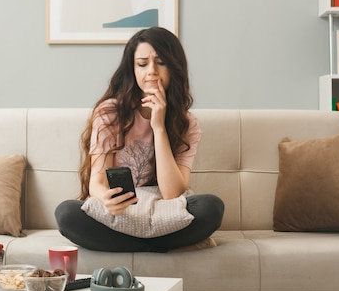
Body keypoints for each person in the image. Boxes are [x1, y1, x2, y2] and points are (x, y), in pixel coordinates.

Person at [55, 27, 224, 253]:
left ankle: (129, 247)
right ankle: (160, 247)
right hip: (122, 212)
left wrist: (159, 127)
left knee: (212, 207)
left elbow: (172, 192)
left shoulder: (187, 124)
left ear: (174, 68)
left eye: (160, 62)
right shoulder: (109, 113)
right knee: (66, 214)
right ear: (132, 69)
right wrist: (106, 199)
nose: (151, 71)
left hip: (163, 211)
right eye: (142, 64)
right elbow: (96, 181)